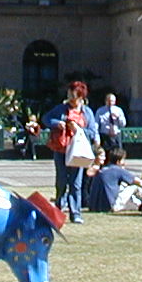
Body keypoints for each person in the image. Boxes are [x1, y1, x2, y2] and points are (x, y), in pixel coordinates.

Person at [45, 81, 92, 223]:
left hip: (77, 151)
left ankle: (75, 213)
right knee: (61, 181)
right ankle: (58, 209)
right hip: (61, 150)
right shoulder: (60, 109)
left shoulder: (87, 112)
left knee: (76, 184)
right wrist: (56, 123)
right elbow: (46, 118)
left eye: (74, 95)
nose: (70, 97)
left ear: (80, 97)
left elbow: (93, 132)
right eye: (69, 94)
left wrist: (77, 129)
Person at [86, 147, 139, 213]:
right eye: (123, 160)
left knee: (122, 186)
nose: (124, 162)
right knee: (134, 187)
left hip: (93, 206)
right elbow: (138, 181)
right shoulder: (118, 170)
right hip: (110, 206)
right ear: (118, 162)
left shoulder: (101, 170)